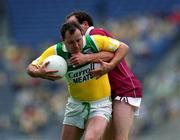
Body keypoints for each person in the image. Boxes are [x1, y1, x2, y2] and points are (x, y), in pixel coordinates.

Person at [26, 22, 129, 140]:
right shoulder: (55, 51)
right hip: (75, 105)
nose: (76, 45)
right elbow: (30, 68)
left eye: (78, 40)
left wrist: (110, 65)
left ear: (82, 36)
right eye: (71, 42)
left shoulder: (94, 42)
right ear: (63, 40)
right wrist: (39, 73)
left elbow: (123, 47)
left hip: (100, 105)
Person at [66, 11, 143, 140]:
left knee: (120, 138)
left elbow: (115, 52)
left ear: (85, 24)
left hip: (124, 89)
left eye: (73, 25)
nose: (70, 30)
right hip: (108, 95)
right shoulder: (81, 45)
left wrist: (88, 58)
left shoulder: (95, 34)